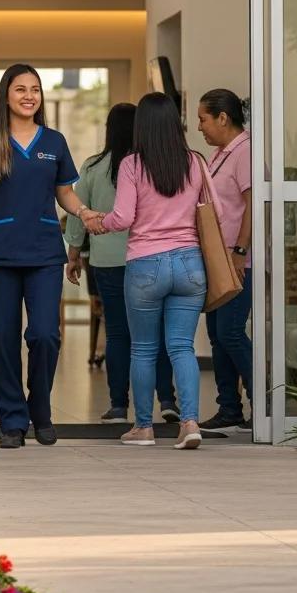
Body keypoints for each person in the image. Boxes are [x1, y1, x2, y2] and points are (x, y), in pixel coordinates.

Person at [0, 63, 96, 449]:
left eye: (35, 89)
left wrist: (83, 212)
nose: (28, 96)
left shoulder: (54, 142)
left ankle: (40, 410)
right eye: (20, 89)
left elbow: (64, 193)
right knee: (2, 340)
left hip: (43, 254)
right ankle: (13, 423)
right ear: (6, 95)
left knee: (45, 335)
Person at [92, 91, 221, 449]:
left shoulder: (133, 164)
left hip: (146, 264)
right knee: (181, 347)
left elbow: (123, 218)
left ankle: (144, 428)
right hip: (189, 264)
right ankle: (190, 423)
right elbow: (215, 213)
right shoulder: (195, 162)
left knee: (144, 349)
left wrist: (97, 222)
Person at [65, 103, 179, 424]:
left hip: (107, 261)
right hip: (148, 259)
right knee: (155, 332)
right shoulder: (152, 166)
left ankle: (118, 406)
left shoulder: (92, 166)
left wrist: (73, 254)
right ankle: (167, 400)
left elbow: (78, 213)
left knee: (117, 333)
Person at [196, 89, 253, 433]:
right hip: (218, 257)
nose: (200, 127)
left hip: (237, 258)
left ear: (223, 118)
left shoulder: (245, 152)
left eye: (203, 119)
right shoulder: (219, 154)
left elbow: (252, 205)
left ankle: (264, 402)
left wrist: (240, 252)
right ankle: (229, 407)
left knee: (230, 330)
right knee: (217, 332)